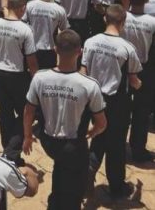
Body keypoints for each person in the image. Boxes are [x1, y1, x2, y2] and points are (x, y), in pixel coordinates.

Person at [23, 30, 106, 210]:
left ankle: (55, 202)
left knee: (61, 168)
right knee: (74, 190)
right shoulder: (89, 85)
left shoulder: (40, 78)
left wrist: (27, 136)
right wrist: (91, 133)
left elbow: (29, 111)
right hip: (74, 145)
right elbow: (101, 123)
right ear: (80, 51)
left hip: (49, 141)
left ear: (55, 50)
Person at [82, 5, 142, 199]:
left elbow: (83, 73)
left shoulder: (90, 42)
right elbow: (133, 81)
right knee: (116, 145)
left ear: (105, 20)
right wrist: (142, 86)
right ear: (123, 22)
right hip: (117, 102)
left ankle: (90, 167)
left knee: (99, 134)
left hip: (94, 98)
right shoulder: (127, 48)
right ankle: (117, 187)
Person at [0, 0, 38, 164]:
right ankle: (11, 152)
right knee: (26, 114)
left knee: (5, 112)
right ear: (22, 9)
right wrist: (36, 82)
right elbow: (31, 60)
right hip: (17, 75)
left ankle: (7, 147)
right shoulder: (25, 30)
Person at [122, 0, 155, 162]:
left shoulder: (121, 18)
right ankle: (137, 148)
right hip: (144, 69)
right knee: (141, 111)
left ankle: (118, 144)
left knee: (121, 108)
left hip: (123, 67)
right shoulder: (152, 22)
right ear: (145, 2)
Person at [23, 0, 69, 69]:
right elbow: (65, 31)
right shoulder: (59, 10)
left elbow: (22, 24)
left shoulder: (30, 5)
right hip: (49, 50)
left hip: (31, 48)